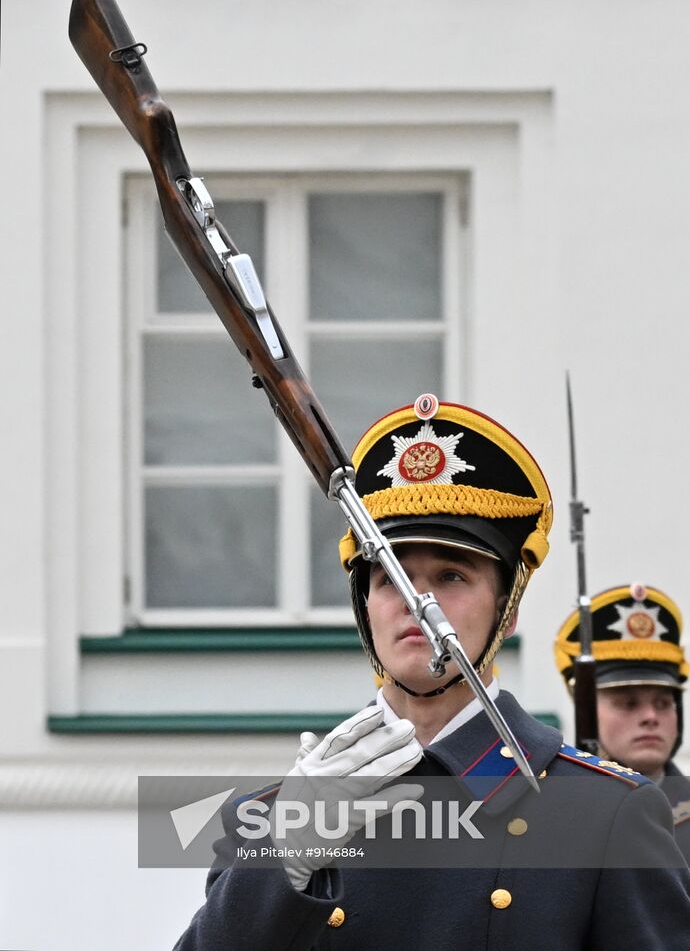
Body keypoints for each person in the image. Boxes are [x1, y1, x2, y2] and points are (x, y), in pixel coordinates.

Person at [174, 396, 690, 950]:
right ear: (365, 607)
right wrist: (281, 858)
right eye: (389, 579)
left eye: (450, 576)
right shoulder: (269, 817)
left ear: (508, 610)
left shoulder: (606, 814)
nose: (417, 602)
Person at [555, 582, 690, 862]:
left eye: (663, 703)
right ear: (587, 710)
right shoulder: (552, 813)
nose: (651, 717)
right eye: (628, 703)